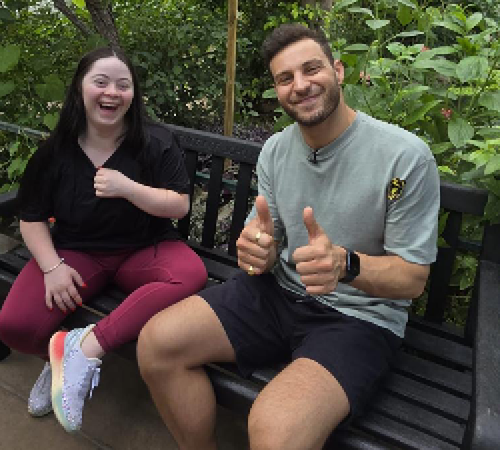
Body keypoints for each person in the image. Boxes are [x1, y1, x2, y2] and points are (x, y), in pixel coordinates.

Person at [137, 23, 440, 450]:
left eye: (311, 69)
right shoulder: (277, 150)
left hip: (358, 317)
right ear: (277, 91)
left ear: (338, 70)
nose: (300, 85)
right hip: (276, 293)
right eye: (285, 78)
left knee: (275, 431)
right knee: (157, 343)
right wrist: (256, 248)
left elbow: (413, 279)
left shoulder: (404, 157)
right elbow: (266, 232)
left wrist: (345, 265)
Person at [0, 47, 207, 434]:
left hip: (145, 249)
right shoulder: (55, 152)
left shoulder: (155, 141)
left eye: (123, 85)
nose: (112, 92)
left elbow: (179, 205)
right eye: (101, 81)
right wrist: (52, 268)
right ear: (80, 89)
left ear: (133, 95)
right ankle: (56, 360)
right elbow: (31, 218)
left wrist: (128, 188)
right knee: (16, 326)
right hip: (77, 254)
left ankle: (82, 350)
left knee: (191, 273)